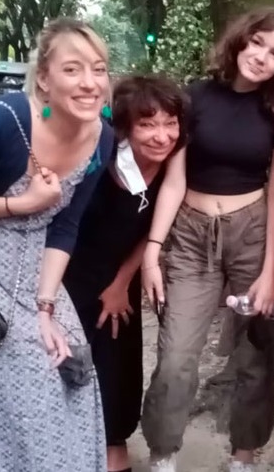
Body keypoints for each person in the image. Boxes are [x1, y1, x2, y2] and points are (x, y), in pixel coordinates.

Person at [140, 8, 274, 472]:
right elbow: (173, 181)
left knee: (254, 353)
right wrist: (152, 250)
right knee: (176, 354)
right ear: (240, 40)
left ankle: (243, 456)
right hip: (191, 234)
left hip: (253, 232)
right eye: (257, 43)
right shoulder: (195, 98)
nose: (262, 57)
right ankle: (164, 453)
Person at [0, 18, 115, 471]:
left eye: (98, 69)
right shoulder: (1, 121)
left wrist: (45, 308)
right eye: (72, 70)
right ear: (43, 79)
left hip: (36, 266)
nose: (90, 83)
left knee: (72, 367)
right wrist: (20, 204)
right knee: (21, 369)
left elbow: (65, 225)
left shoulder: (102, 137)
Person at [63, 76, 188, 472]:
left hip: (122, 277)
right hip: (71, 273)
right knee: (68, 364)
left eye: (170, 123)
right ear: (124, 128)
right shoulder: (97, 158)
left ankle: (114, 450)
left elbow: (153, 232)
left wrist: (121, 283)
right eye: (147, 125)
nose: (161, 136)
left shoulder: (174, 165)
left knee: (117, 370)